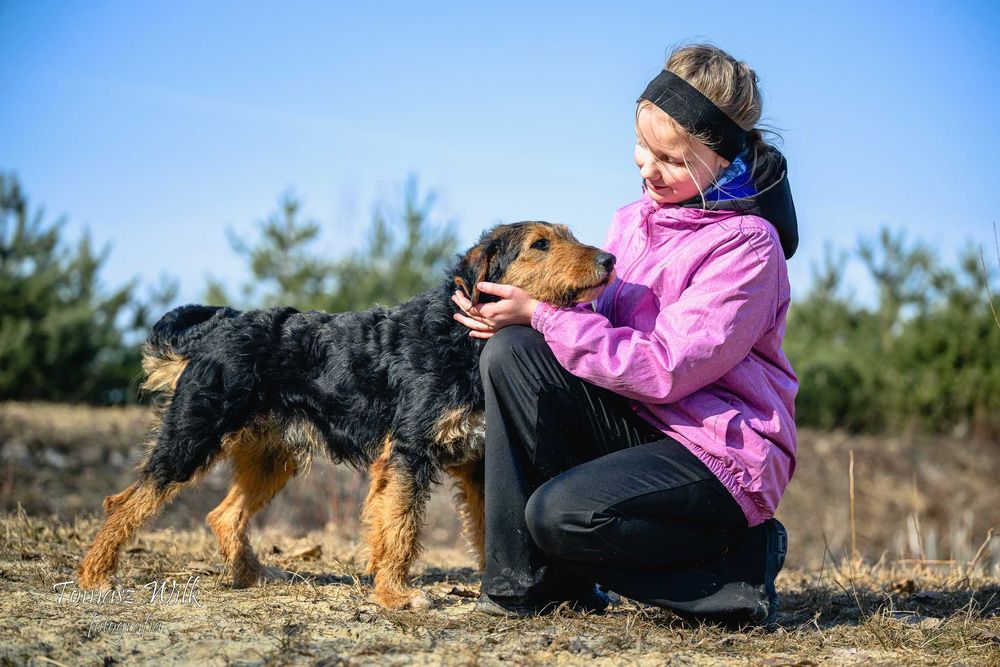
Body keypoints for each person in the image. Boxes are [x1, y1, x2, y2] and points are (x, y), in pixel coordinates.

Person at [451, 43, 798, 628]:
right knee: (513, 352)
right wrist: (512, 310)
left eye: (671, 158)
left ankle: (736, 569)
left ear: (722, 156)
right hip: (637, 421)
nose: (647, 167)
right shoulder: (631, 220)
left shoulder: (748, 246)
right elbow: (594, 332)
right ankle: (525, 586)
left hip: (714, 452)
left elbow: (666, 369)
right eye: (642, 146)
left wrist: (544, 317)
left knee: (560, 517)